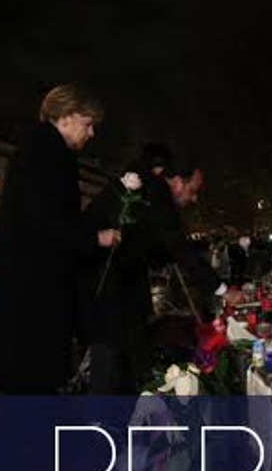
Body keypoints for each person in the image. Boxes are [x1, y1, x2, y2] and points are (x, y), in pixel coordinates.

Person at [0, 84, 120, 394]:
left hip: (21, 286)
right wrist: (95, 238)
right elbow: (49, 219)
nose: (91, 133)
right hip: (31, 291)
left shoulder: (37, 147)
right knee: (32, 380)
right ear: (66, 116)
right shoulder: (50, 152)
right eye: (88, 123)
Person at [85, 142, 237, 394]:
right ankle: (102, 427)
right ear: (176, 181)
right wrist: (222, 289)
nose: (194, 197)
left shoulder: (148, 189)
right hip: (108, 288)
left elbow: (153, 245)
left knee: (127, 361)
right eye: (192, 190)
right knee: (110, 364)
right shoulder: (156, 193)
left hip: (123, 286)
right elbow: (179, 246)